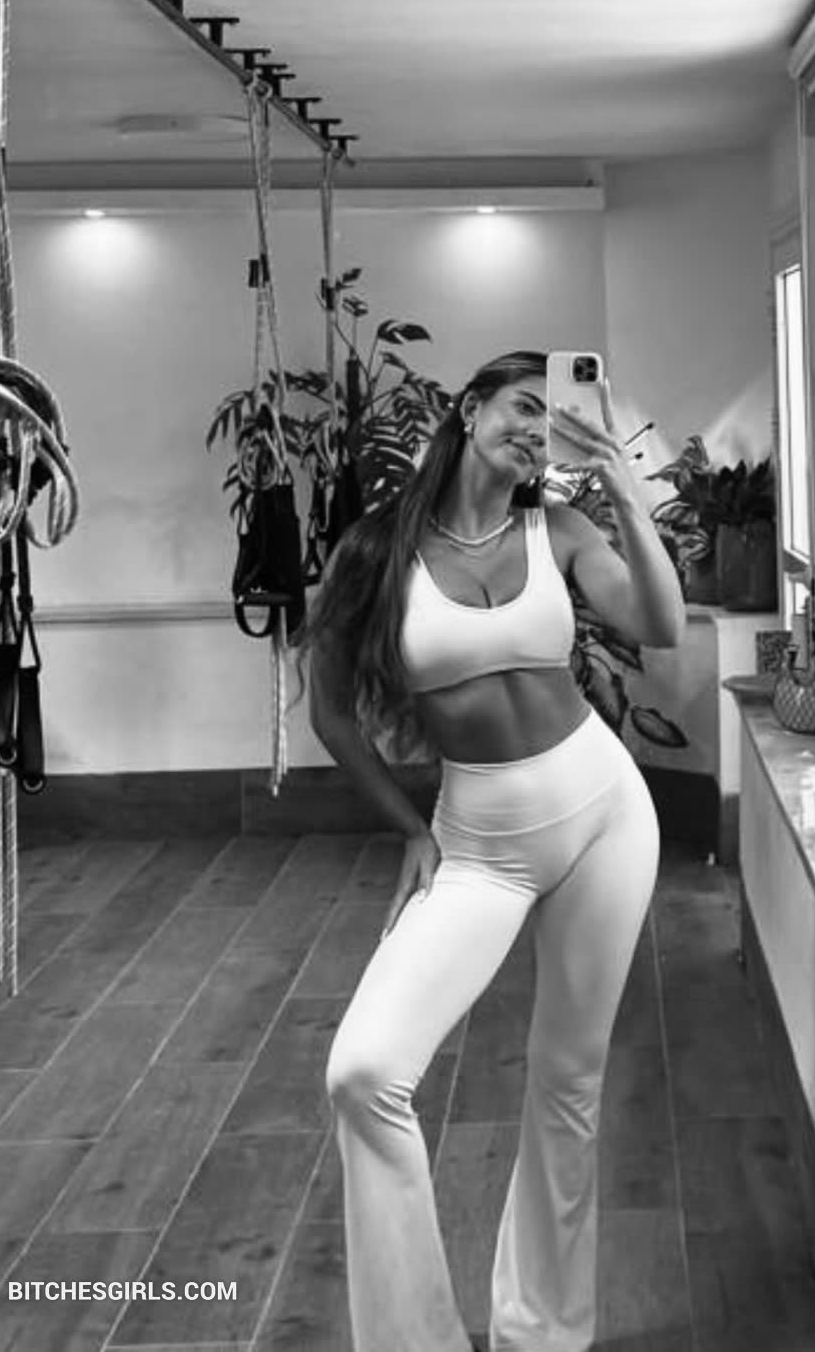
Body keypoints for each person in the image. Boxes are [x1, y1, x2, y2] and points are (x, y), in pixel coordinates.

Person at [299, 349, 686, 1352]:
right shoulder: (375, 551)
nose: (533, 431)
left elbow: (660, 623)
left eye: (550, 421)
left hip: (604, 816)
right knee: (364, 1071)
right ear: (470, 410)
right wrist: (409, 828)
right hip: (477, 846)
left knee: (568, 1080)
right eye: (521, 407)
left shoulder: (558, 528)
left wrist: (624, 492)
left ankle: (542, 1330)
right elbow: (331, 712)